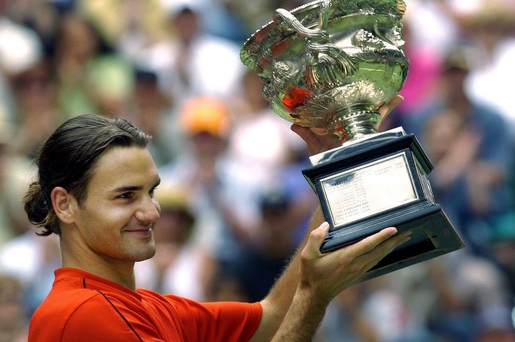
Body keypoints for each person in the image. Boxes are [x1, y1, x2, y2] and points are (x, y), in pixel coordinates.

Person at [23, 96, 410, 341]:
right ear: (65, 205)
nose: (151, 211)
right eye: (125, 196)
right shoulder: (83, 316)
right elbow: (294, 310)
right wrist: (314, 298)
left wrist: (338, 160)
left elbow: (272, 318)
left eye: (150, 192)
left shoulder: (148, 307)